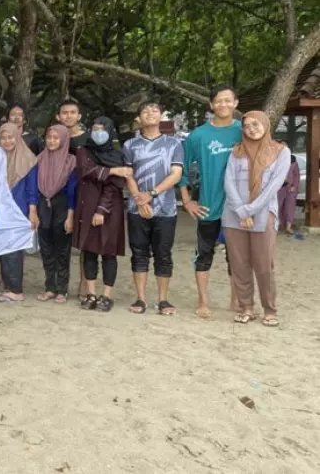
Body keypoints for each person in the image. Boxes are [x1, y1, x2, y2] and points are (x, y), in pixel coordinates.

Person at [179, 87, 243, 318]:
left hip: (238, 207)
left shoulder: (243, 130)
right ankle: (203, 301)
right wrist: (187, 200)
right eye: (219, 101)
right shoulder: (198, 136)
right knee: (204, 254)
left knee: (236, 257)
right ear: (211, 105)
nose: (223, 104)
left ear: (235, 103)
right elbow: (182, 168)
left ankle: (236, 301)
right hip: (208, 205)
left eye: (228, 100)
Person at [224, 112, 290, 327]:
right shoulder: (236, 152)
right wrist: (242, 211)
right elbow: (229, 182)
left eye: (256, 124)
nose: (252, 129)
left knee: (263, 264)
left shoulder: (281, 151)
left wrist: (250, 211)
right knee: (239, 264)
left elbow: (273, 187)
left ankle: (269, 309)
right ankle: (246, 307)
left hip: (263, 215)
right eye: (247, 126)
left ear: (265, 124)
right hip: (234, 216)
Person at [122, 102, 184, 315]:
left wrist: (152, 194)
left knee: (163, 253)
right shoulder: (130, 145)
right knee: (139, 252)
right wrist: (140, 200)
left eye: (154, 110)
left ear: (161, 115)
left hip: (165, 208)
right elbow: (128, 174)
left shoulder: (173, 143)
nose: (150, 114)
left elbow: (176, 174)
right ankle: (140, 298)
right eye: (145, 111)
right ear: (139, 118)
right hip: (137, 207)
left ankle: (163, 299)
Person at [74, 117, 130, 312]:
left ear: (110, 132)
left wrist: (101, 210)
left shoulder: (117, 154)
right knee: (88, 251)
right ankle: (90, 293)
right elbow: (86, 170)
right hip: (86, 207)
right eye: (95, 129)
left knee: (108, 252)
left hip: (109, 209)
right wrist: (114, 170)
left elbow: (114, 185)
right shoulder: (83, 151)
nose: (98, 133)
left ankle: (106, 295)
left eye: (102, 129)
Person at [29, 125, 77, 303]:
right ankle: (50, 287)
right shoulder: (39, 159)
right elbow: (34, 187)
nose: (52, 141)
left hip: (63, 207)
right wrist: (34, 211)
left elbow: (72, 192)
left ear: (64, 140)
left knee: (62, 251)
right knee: (47, 250)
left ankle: (62, 290)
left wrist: (70, 216)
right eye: (49, 137)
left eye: (56, 138)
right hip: (44, 207)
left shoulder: (70, 161)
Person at [0, 123, 38, 302]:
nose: (7, 141)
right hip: (0, 210)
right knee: (3, 247)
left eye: (10, 137)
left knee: (14, 249)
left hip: (19, 211)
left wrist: (32, 211)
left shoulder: (28, 158)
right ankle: (8, 286)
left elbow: (31, 189)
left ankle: (16, 290)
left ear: (17, 137)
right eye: (3, 138)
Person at [276, 152, 299, 234]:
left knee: (290, 207)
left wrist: (294, 186)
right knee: (278, 206)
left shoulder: (293, 160)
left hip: (291, 188)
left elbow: (296, 175)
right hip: (279, 187)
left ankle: (288, 226)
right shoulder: (276, 159)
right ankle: (279, 224)